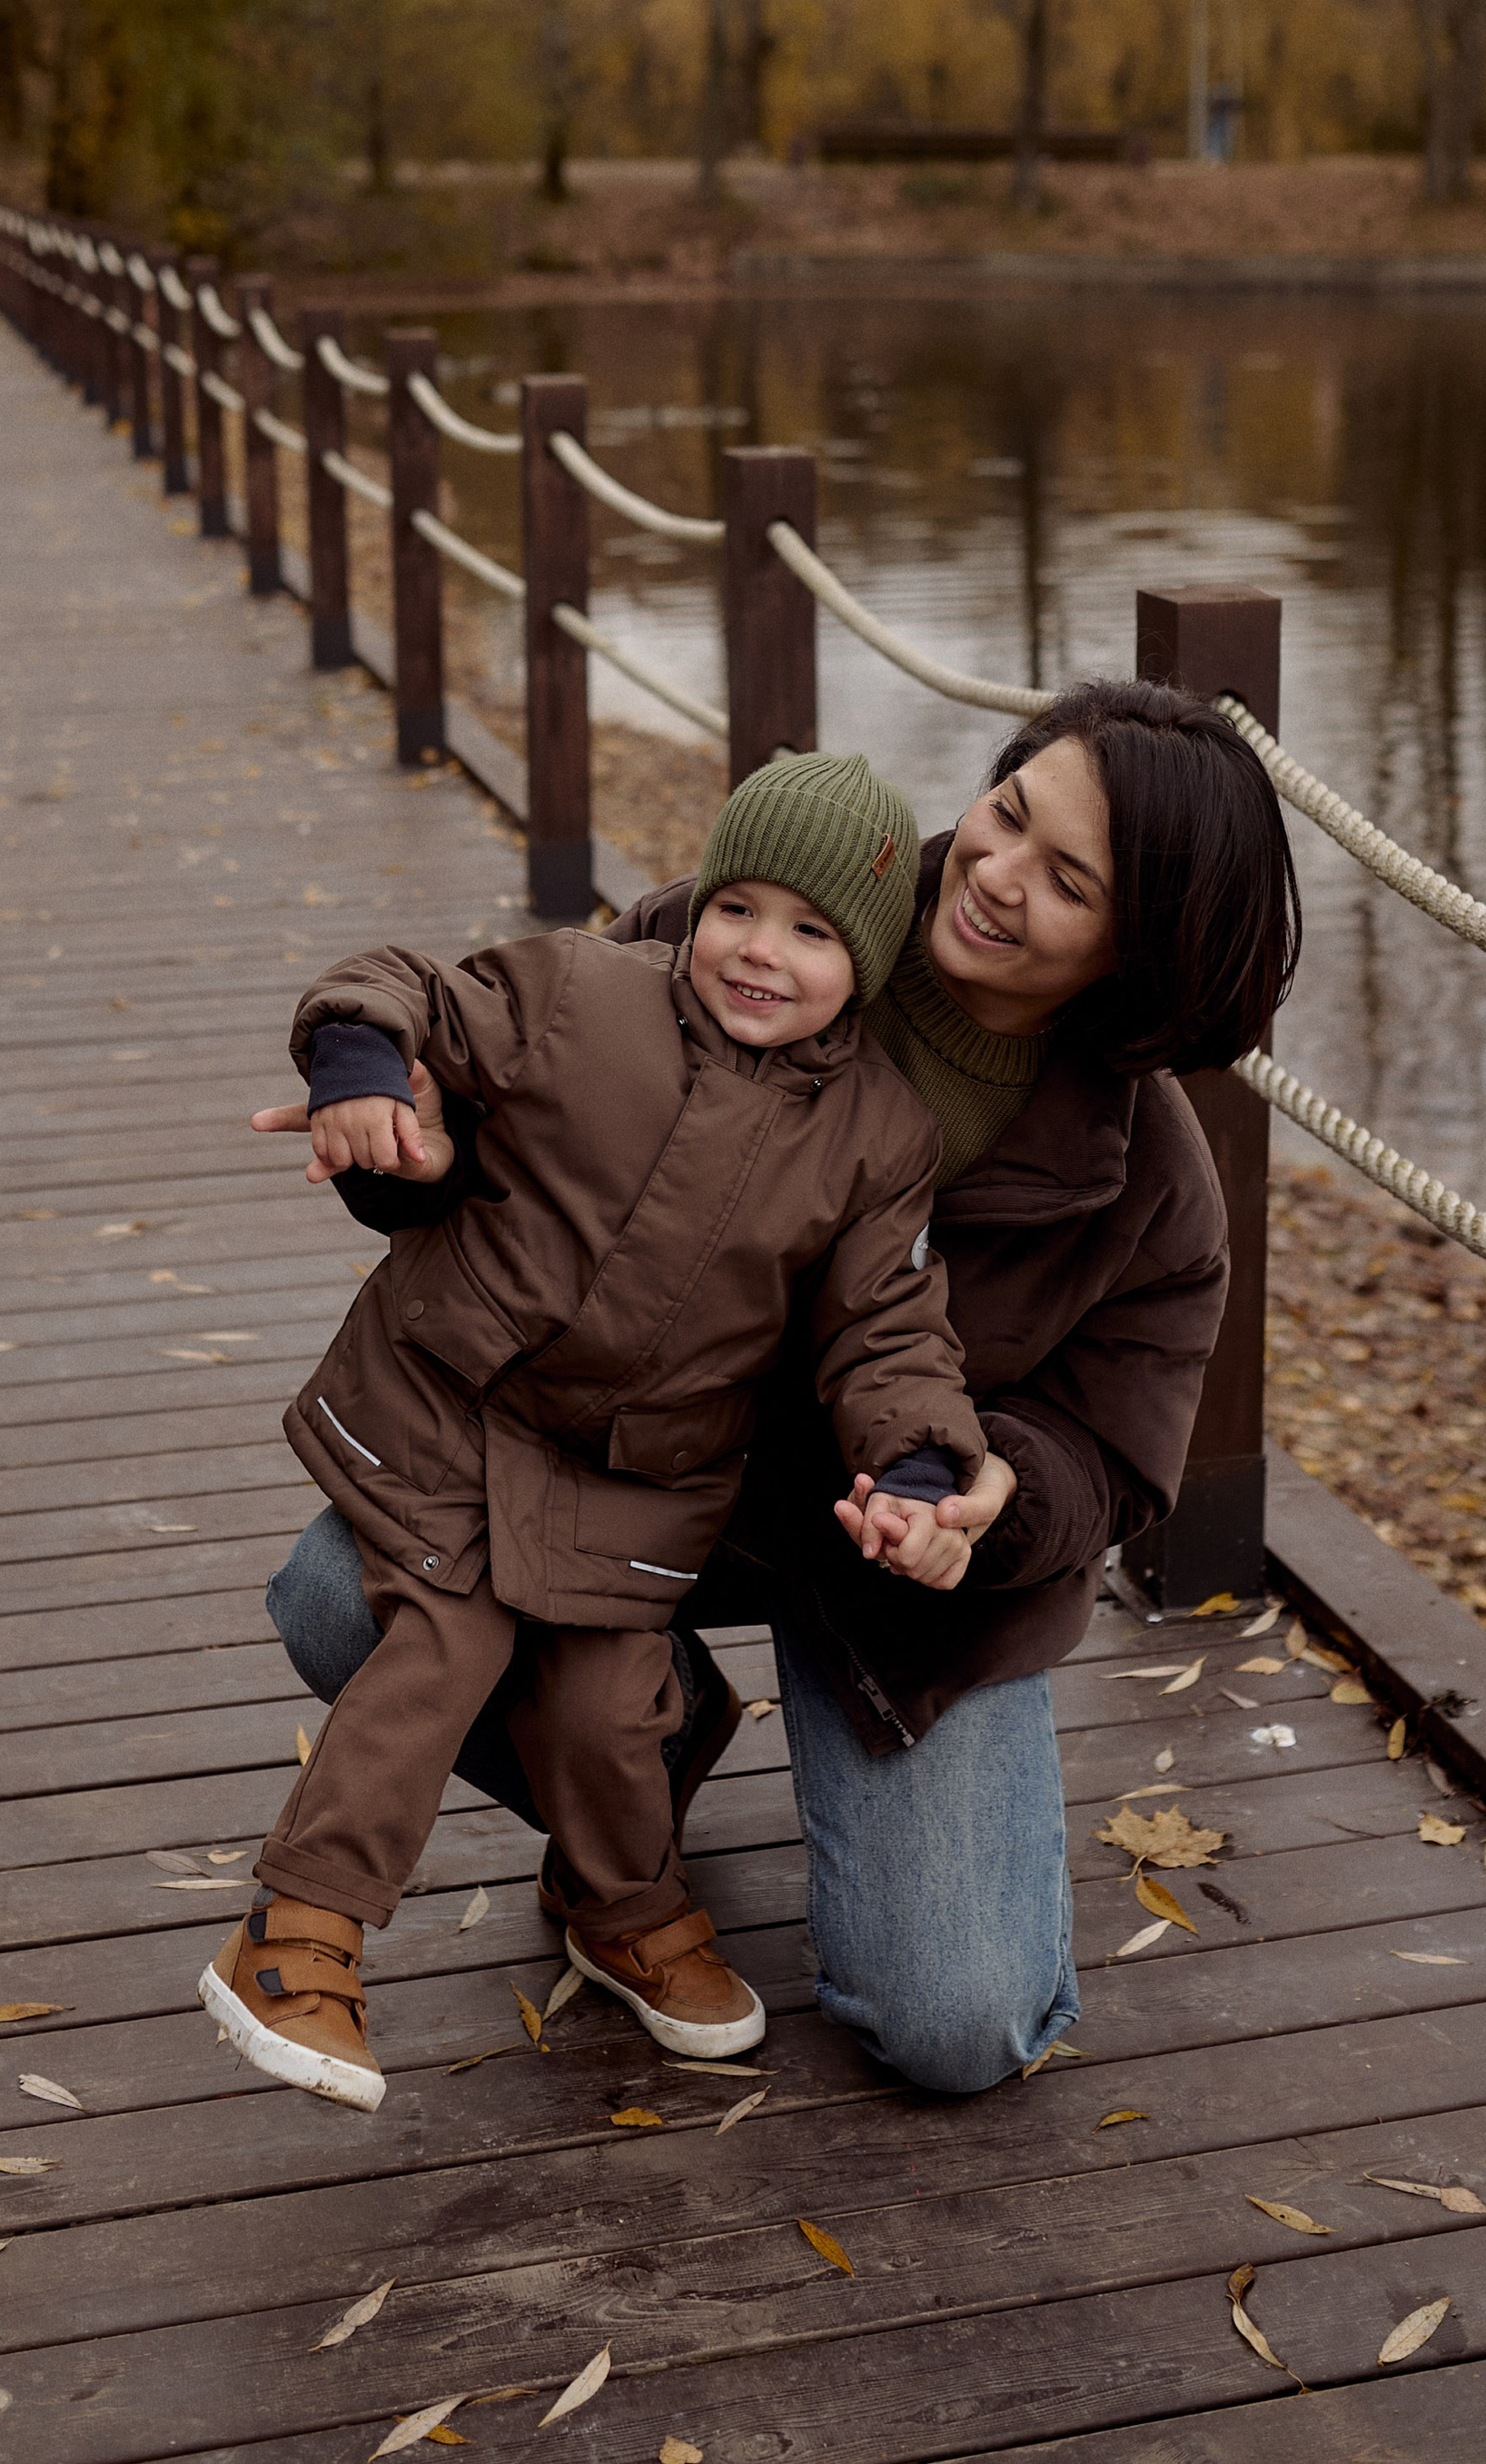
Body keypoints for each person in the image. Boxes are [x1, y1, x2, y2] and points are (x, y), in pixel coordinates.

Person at [264, 678, 1300, 2098]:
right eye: (1005, 812)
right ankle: (645, 1747)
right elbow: (514, 1125)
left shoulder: (1157, 1188)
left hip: (890, 1577)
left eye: (1066, 881)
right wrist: (400, 1149)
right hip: (617, 1481)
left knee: (958, 2026)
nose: (993, 873)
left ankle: (673, 1759)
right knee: (338, 1595)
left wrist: (988, 1492)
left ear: (1140, 954)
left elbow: (1116, 1457)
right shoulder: (771, 915)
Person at [207, 748, 989, 2111]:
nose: (761, 952)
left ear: (866, 964)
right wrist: (357, 1060)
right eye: (739, 907)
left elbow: (888, 1326)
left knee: (607, 1699)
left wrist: (919, 1461)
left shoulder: (877, 1136)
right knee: (443, 1639)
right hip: (454, 1411)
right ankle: (297, 1932)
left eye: (812, 932)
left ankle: (616, 1902)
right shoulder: (584, 993)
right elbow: (416, 992)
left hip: (635, 1482)